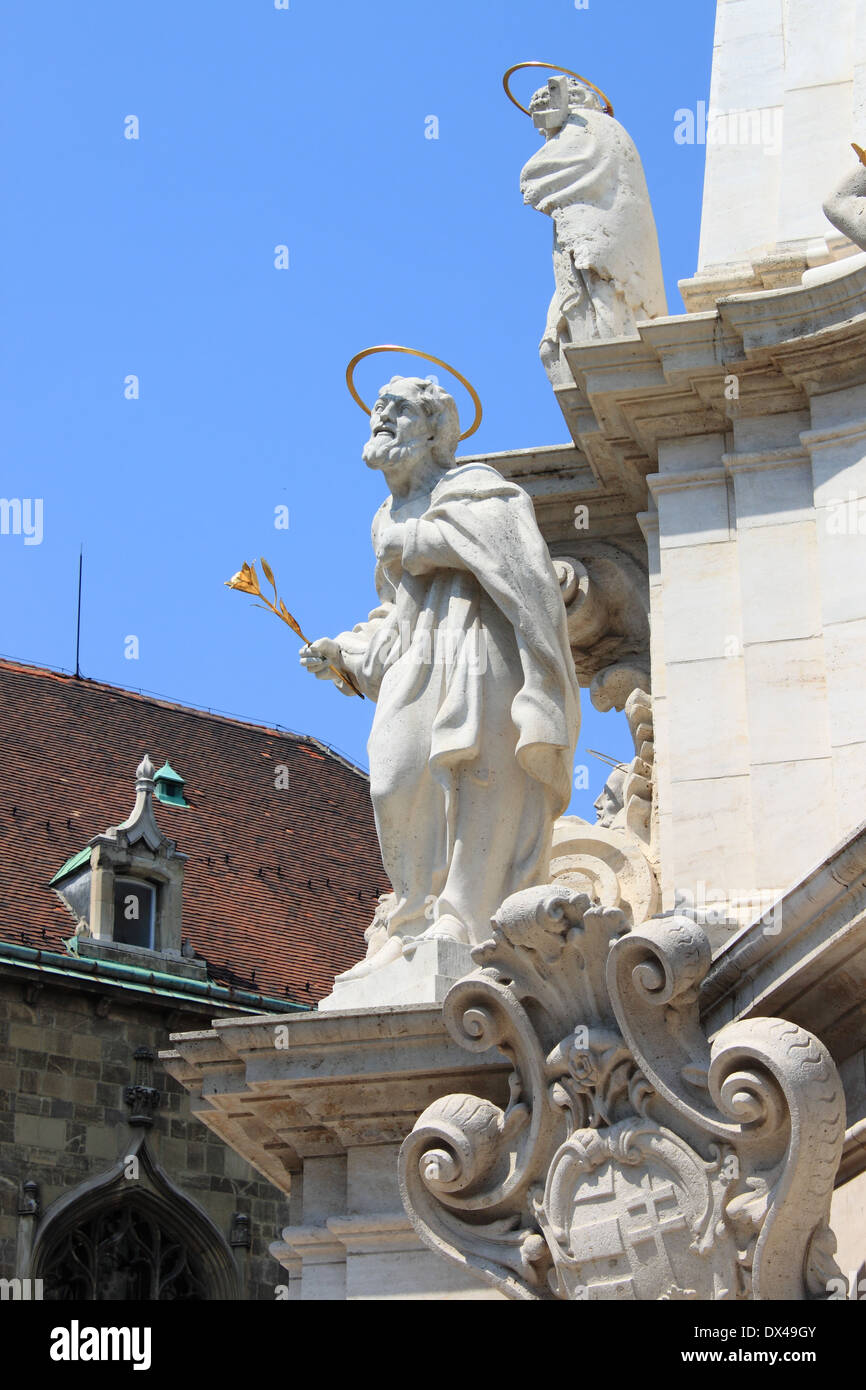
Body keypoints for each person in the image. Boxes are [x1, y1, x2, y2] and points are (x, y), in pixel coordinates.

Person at [301, 375, 580, 977]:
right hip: (419, 658)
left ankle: (465, 916)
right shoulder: (384, 516)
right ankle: (411, 918)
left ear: (433, 430)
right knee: (394, 780)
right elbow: (393, 615)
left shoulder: (477, 487)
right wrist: (347, 654)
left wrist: (420, 538)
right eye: (377, 408)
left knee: (480, 774)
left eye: (398, 409)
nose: (382, 416)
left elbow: (516, 556)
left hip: (483, 649)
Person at [520, 75, 667, 382]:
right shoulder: (588, 130)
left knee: (600, 320)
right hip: (582, 243)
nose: (544, 132)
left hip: (599, 246)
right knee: (554, 343)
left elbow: (537, 173)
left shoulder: (593, 125)